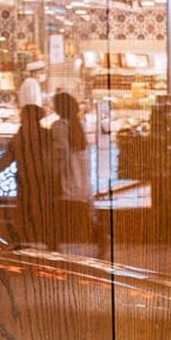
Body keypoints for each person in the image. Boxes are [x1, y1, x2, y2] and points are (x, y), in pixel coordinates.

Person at [0, 104, 55, 246]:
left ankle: (28, 243)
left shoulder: (20, 137)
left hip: (25, 182)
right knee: (42, 214)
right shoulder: (46, 135)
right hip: (44, 182)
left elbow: (6, 160)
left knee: (26, 214)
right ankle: (43, 242)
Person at [49, 91, 101, 253]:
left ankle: (54, 246)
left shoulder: (59, 127)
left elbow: (60, 155)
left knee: (56, 213)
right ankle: (101, 239)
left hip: (67, 177)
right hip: (81, 179)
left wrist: (52, 175)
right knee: (84, 213)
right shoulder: (77, 125)